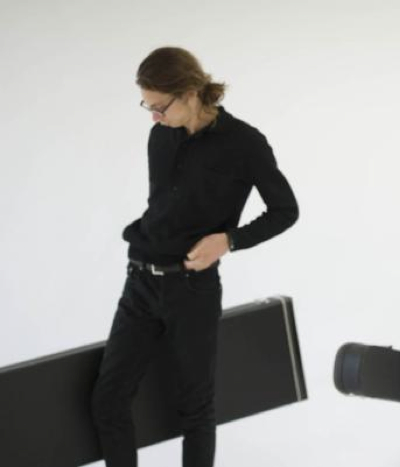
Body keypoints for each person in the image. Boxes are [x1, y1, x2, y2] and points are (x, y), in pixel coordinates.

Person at [90, 46, 299, 467]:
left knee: (195, 409)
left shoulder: (245, 143)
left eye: (159, 106)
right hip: (140, 282)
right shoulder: (160, 136)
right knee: (108, 399)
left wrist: (230, 240)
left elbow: (285, 210)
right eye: (148, 107)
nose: (154, 117)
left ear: (189, 92)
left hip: (192, 288)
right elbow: (165, 207)